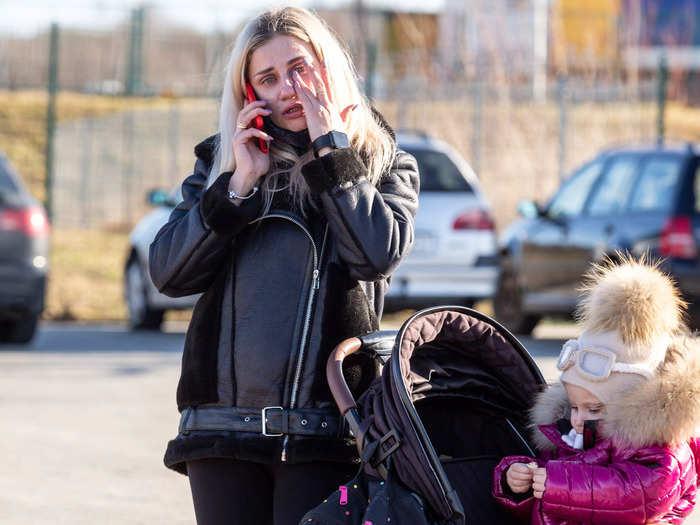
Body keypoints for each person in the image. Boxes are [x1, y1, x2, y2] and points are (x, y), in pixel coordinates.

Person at [148, 6, 419, 525]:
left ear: (328, 67)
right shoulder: (222, 165)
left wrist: (332, 154)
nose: (288, 89)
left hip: (327, 431)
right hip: (221, 431)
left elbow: (375, 255)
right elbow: (168, 275)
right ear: (250, 94)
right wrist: (236, 187)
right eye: (268, 78)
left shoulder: (384, 163)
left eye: (300, 69)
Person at [493, 257, 700, 524]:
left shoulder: (662, 450)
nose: (578, 418)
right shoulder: (575, 432)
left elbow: (639, 494)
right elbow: (550, 485)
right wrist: (520, 480)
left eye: (593, 408)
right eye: (574, 406)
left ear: (633, 405)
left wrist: (556, 485)